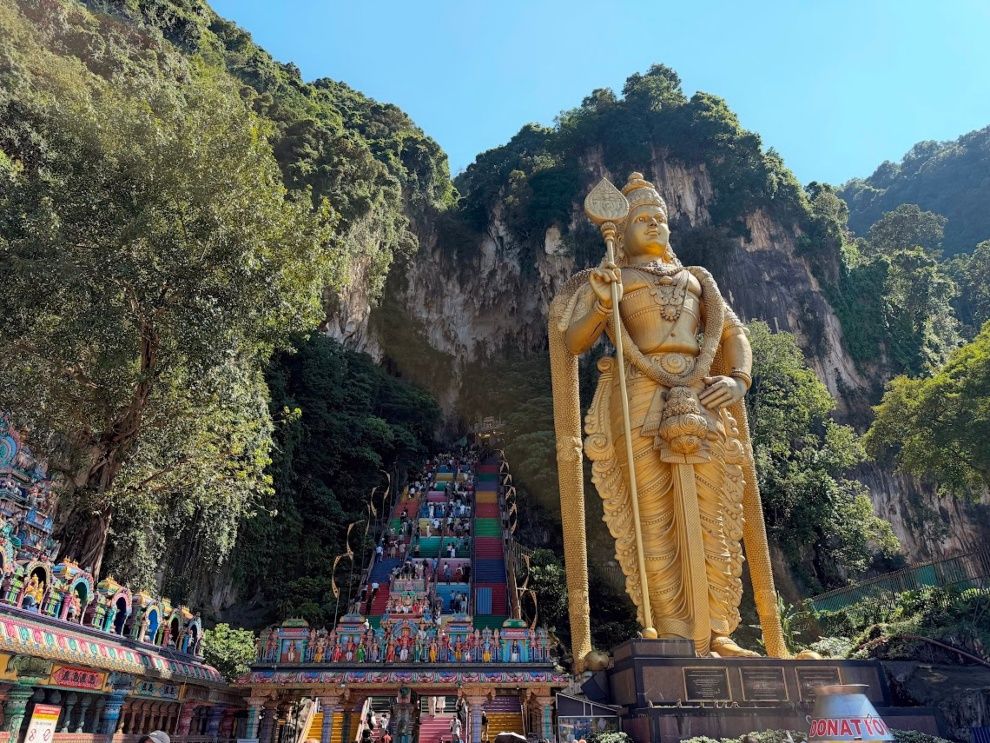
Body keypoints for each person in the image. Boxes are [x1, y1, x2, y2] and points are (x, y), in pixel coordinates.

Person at [551, 172, 772, 659]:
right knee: (651, 513)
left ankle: (718, 631)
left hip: (702, 391)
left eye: (660, 219)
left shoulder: (697, 279)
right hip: (638, 392)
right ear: (622, 229)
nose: (654, 226)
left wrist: (738, 378)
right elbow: (574, 341)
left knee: (715, 508)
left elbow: (733, 334)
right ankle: (672, 630)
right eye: (642, 219)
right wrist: (602, 303)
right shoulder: (614, 278)